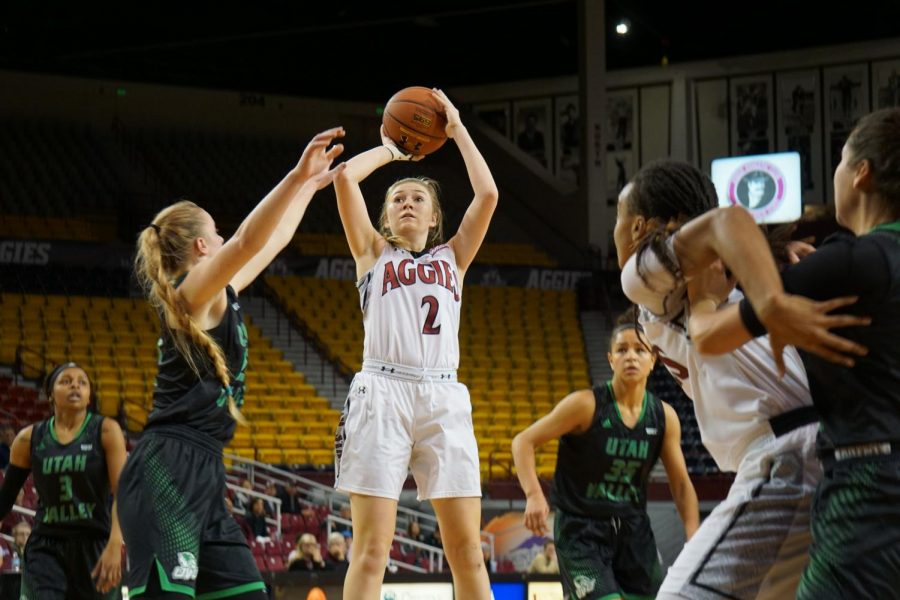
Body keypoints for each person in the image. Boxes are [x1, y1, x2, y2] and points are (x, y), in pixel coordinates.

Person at [613, 158, 868, 600]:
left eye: (617, 220)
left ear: (638, 227)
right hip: (825, 452)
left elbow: (728, 219)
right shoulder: (732, 268)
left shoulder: (640, 277)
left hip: (785, 455)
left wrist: (769, 297)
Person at [118, 126, 345, 599]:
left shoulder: (219, 293)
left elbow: (271, 240)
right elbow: (246, 240)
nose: (222, 237)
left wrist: (306, 187)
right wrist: (293, 175)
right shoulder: (191, 293)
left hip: (205, 468)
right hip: (167, 468)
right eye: (214, 231)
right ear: (202, 247)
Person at [682, 107, 900, 599]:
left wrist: (703, 300)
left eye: (843, 160)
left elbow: (710, 336)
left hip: (870, 486)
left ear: (862, 173)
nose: (837, 172)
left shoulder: (849, 264)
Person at [333, 88, 498, 600]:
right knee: (372, 552)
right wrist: (393, 150)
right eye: (397, 199)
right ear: (385, 219)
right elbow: (344, 178)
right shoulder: (372, 253)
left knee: (468, 553)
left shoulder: (455, 258)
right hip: (382, 391)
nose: (407, 202)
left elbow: (488, 195)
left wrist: (456, 131)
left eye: (417, 198)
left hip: (443, 396)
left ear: (434, 219)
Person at [513, 321, 699, 599]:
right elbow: (523, 441)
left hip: (633, 530)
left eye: (640, 349)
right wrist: (533, 495)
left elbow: (681, 484)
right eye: (622, 350)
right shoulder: (586, 405)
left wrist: (694, 537)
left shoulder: (664, 416)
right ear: (611, 360)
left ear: (653, 359)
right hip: (581, 529)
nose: (631, 356)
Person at [0, 363, 127, 598]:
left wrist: (115, 544)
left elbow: (124, 493)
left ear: (89, 396)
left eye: (82, 382)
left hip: (94, 544)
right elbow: (5, 499)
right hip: (46, 546)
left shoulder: (107, 431)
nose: (75, 386)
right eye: (66, 381)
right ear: (50, 394)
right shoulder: (28, 439)